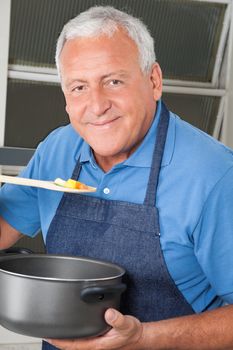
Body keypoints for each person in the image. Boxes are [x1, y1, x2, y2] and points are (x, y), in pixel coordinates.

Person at [0, 5, 233, 350]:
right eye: (78, 87)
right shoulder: (58, 149)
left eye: (113, 81)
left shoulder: (213, 176)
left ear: (153, 81)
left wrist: (143, 338)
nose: (97, 105)